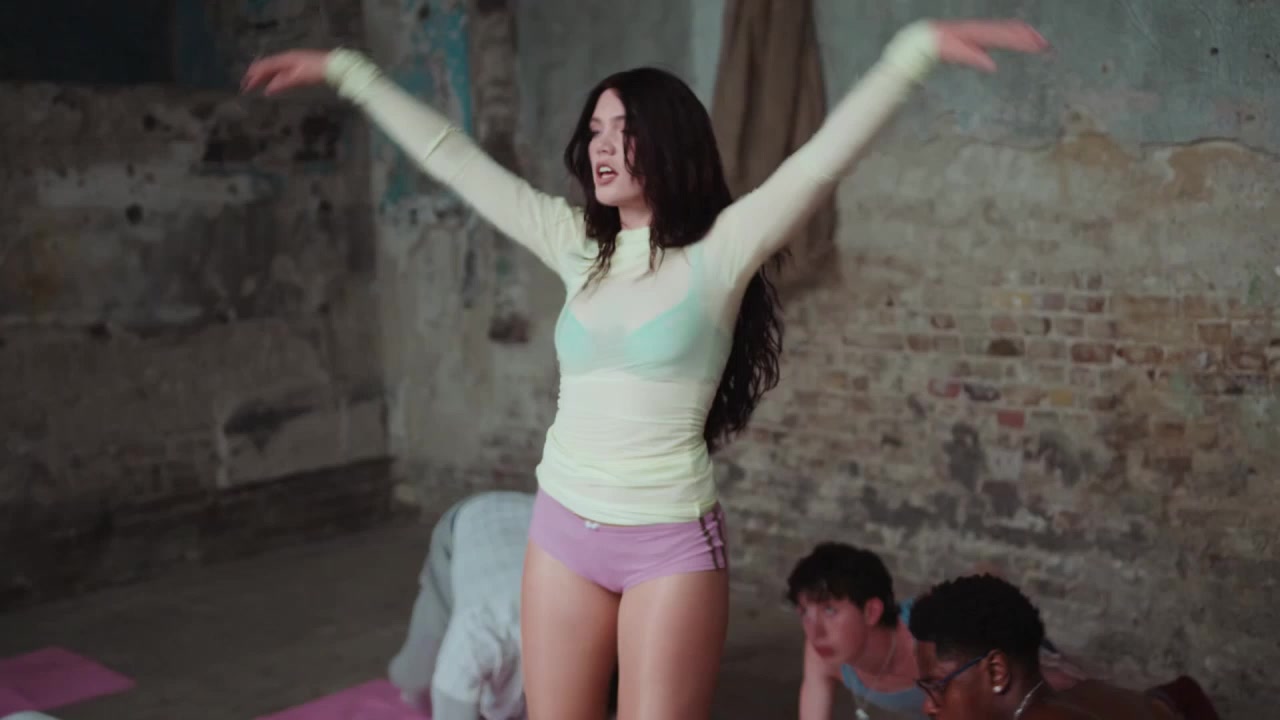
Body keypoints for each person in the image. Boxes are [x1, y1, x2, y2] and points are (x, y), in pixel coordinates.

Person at [241, 18, 1048, 719]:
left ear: (665, 142)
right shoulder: (575, 245)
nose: (601, 146)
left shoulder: (720, 253)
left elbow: (818, 162)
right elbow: (453, 158)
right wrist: (349, 70)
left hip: (668, 545)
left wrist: (911, 52)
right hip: (561, 532)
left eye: (621, 129)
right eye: (594, 129)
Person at [386, 490, 619, 720]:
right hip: (476, 518)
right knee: (415, 677)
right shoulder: (482, 632)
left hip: (541, 521)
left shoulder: (607, 642)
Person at [786, 543, 1085, 720]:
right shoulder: (821, 654)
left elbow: (987, 578)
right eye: (804, 613)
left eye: (830, 611)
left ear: (871, 611)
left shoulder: (931, 636)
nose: (815, 630)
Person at [907, 574, 1221, 720]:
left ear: (996, 671)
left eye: (937, 687)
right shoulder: (1082, 692)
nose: (928, 708)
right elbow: (1178, 695)